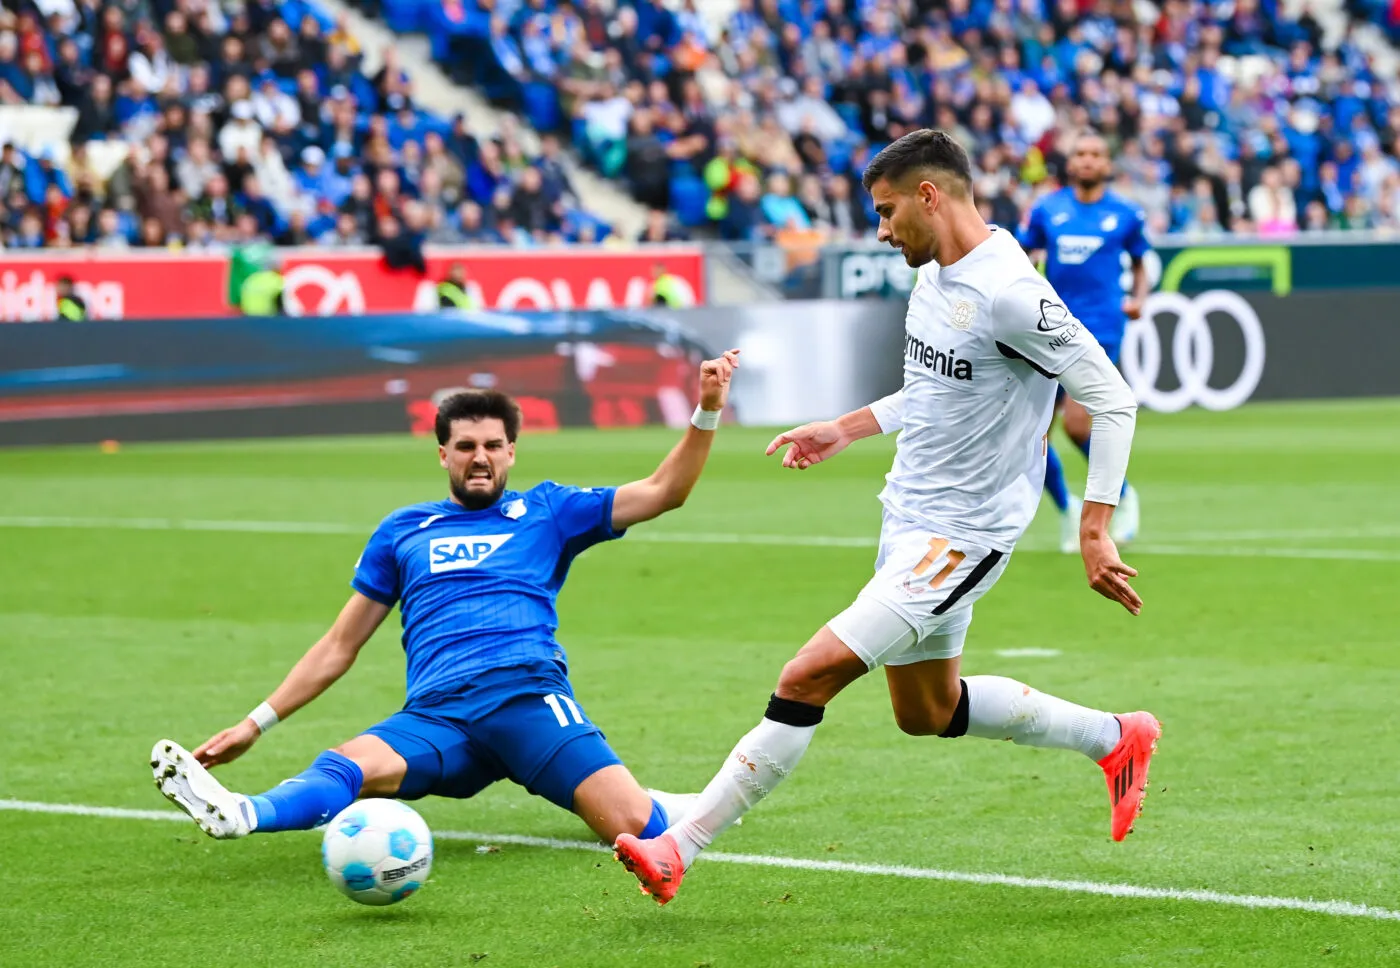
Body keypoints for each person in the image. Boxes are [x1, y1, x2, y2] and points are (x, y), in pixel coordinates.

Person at [613, 129, 1160, 906]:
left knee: (807, 675)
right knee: (927, 712)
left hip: (962, 536)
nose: (880, 229)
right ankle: (1117, 738)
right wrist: (845, 427)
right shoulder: (935, 275)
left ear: (929, 196)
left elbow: (1111, 397)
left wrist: (1094, 525)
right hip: (908, 517)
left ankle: (681, 845)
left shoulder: (1012, 292)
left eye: (886, 210)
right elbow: (935, 392)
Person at [152, 351, 740, 849]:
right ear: (443, 454)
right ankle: (243, 813)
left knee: (636, 828)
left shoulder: (549, 511)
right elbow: (339, 645)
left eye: (491, 445)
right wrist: (255, 724)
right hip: (438, 716)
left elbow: (666, 491)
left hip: (526, 700)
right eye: (464, 446)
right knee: (346, 763)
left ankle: (660, 801)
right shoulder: (404, 530)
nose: (478, 457)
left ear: (512, 451)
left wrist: (707, 408)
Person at [1019, 131, 1151, 552]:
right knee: (1031, 437)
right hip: (1048, 328)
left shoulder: (1125, 214)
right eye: (1080, 154)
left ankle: (1122, 495)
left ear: (1107, 163)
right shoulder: (1047, 210)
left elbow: (1140, 263)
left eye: (1095, 153)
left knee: (1077, 423)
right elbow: (1024, 256)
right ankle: (1066, 509)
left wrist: (1139, 299)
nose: (1088, 160)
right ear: (1070, 162)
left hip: (1100, 328)